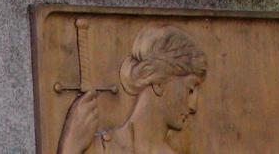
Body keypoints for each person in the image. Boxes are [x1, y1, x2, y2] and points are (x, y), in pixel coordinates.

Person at [55, 25, 208, 154]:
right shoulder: (98, 148)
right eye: (190, 90)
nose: (193, 106)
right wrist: (71, 146)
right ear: (158, 82)